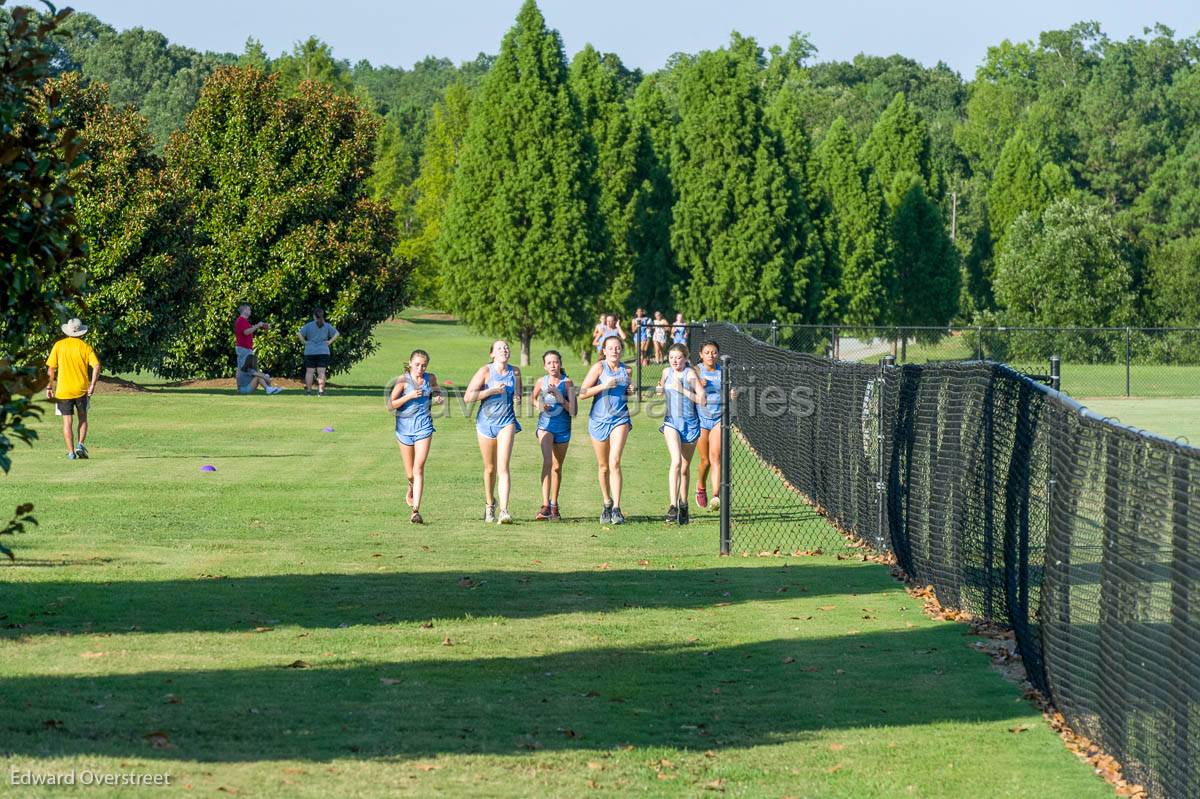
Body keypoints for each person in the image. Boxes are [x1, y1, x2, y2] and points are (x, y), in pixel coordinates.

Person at [464, 340, 522, 524]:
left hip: (507, 422)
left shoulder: (516, 372)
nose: (504, 350)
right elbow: (468, 397)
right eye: (499, 348)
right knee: (490, 468)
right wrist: (490, 391)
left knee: (503, 467)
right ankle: (490, 505)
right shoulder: (486, 371)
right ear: (492, 354)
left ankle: (504, 511)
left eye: (506, 348)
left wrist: (518, 398)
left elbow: (518, 394)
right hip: (485, 424)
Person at [579, 334, 634, 524]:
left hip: (620, 419)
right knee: (603, 466)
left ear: (622, 350)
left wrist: (630, 390)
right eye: (610, 348)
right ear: (604, 351)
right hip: (598, 420)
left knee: (615, 461)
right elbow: (582, 393)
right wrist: (603, 385)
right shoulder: (598, 368)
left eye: (618, 347)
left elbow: (626, 391)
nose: (615, 351)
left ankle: (617, 508)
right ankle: (607, 503)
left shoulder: (627, 370)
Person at [390, 349, 443, 524]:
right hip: (404, 429)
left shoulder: (431, 378)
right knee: (410, 473)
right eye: (418, 365)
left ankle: (415, 511)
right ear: (411, 364)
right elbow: (391, 405)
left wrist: (437, 397)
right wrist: (410, 396)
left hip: (424, 428)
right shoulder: (403, 381)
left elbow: (436, 392)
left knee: (418, 468)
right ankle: (411, 485)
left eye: (424, 365)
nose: (421, 368)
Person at [656, 342, 706, 524]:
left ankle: (683, 504)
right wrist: (659, 389)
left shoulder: (690, 374)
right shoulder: (666, 372)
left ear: (685, 358)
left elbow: (702, 399)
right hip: (671, 422)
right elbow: (661, 387)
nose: (674, 361)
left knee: (684, 468)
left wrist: (682, 390)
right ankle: (672, 506)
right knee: (676, 461)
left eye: (678, 358)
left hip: (690, 424)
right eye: (671, 358)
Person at [45, 318, 100, 459]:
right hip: (81, 390)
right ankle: (80, 444)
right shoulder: (86, 347)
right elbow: (97, 366)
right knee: (83, 418)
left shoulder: (58, 345)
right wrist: (92, 385)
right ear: (81, 332)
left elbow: (51, 369)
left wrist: (49, 386)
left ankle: (71, 453)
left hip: (63, 391)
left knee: (67, 422)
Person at [532, 350, 576, 521]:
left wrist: (560, 398)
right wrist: (539, 405)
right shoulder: (541, 382)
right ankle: (544, 506)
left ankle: (554, 505)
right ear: (545, 366)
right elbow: (532, 399)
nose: (553, 365)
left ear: (560, 363)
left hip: (563, 428)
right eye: (549, 363)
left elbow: (574, 410)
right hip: (545, 427)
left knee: (557, 467)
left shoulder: (567, 383)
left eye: (555, 362)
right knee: (548, 462)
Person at [695, 341, 723, 511]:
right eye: (707, 352)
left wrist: (731, 393)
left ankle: (715, 496)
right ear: (701, 354)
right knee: (705, 461)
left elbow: (728, 390)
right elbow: (687, 388)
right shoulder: (696, 370)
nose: (710, 356)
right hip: (701, 419)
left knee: (715, 458)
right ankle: (701, 486)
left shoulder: (723, 370)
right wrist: (697, 385)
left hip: (719, 418)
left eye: (713, 352)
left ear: (718, 354)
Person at [297, 307, 339, 396]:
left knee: (309, 372)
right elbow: (337, 333)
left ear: (314, 316)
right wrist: (329, 342)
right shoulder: (327, 325)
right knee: (321, 372)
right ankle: (321, 391)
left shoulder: (308, 325)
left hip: (310, 351)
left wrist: (304, 342)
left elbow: (299, 333)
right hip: (323, 351)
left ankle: (308, 391)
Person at [234, 304, 268, 369]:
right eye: (249, 309)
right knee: (245, 369)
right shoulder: (241, 320)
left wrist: (261, 326)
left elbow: (248, 330)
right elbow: (246, 332)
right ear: (244, 310)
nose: (250, 311)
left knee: (245, 369)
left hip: (245, 348)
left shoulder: (244, 321)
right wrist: (258, 325)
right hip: (244, 348)